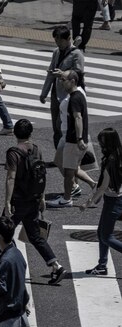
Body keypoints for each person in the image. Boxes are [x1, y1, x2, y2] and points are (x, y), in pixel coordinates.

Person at [4, 119, 67, 285]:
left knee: (2, 233)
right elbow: (41, 175)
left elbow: (11, 177)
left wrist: (7, 202)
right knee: (35, 235)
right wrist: (42, 198)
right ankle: (56, 266)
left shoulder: (13, 153)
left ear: (14, 133)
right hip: (33, 199)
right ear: (30, 133)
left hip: (18, 200)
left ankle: (1, 269)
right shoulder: (37, 150)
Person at [47, 70, 93, 208]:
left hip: (73, 139)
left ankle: (67, 199)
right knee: (70, 169)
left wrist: (79, 139)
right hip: (72, 138)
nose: (61, 82)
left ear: (73, 81)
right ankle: (94, 185)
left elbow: (78, 118)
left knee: (68, 172)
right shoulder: (77, 94)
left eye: (63, 80)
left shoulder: (74, 98)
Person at [80, 128, 122, 275]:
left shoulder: (110, 161)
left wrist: (89, 202)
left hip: (113, 201)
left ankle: (102, 265)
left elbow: (103, 186)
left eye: (102, 142)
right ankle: (102, 265)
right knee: (101, 233)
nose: (100, 145)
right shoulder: (119, 155)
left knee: (106, 236)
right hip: (117, 199)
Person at [39, 26, 84, 149]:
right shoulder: (56, 52)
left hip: (68, 95)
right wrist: (44, 93)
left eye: (60, 41)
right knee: (56, 127)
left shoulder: (77, 54)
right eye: (56, 41)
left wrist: (62, 73)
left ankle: (67, 153)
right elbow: (50, 72)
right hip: (55, 93)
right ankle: (58, 155)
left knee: (63, 125)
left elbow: (78, 73)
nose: (58, 43)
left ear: (68, 39)